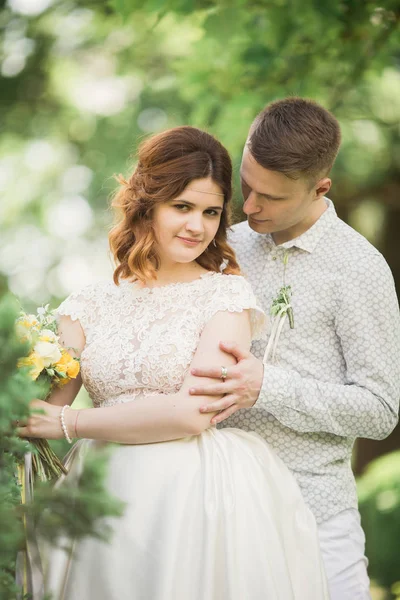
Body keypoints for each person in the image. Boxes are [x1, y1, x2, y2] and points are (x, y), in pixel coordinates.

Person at [18, 126, 329, 600]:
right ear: (147, 205)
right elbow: (39, 410)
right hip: (99, 492)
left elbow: (190, 413)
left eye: (210, 212)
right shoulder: (90, 303)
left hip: (190, 495)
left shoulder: (227, 296)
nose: (197, 226)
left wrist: (71, 420)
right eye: (181, 207)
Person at [189, 98, 400, 600]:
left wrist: (270, 387)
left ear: (319, 188)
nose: (252, 206)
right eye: (247, 185)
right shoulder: (221, 250)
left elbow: (381, 410)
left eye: (273, 198)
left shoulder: (360, 269)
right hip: (219, 509)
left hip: (316, 515)